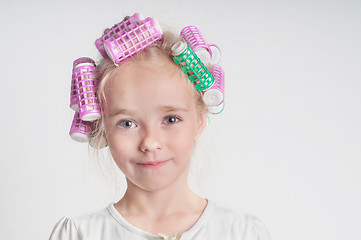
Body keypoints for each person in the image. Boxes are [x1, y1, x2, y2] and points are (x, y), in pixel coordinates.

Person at [49, 14, 272, 240]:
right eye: (127, 123)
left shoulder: (242, 233)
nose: (150, 142)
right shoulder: (79, 234)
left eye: (171, 119)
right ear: (101, 127)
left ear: (200, 121)